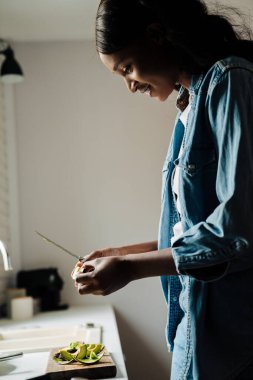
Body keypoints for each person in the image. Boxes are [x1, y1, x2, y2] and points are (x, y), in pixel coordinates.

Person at [72, 0, 253, 378]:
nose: (130, 85)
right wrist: (121, 253)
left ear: (156, 37)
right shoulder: (186, 112)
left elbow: (237, 229)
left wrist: (127, 268)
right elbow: (194, 233)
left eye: (127, 68)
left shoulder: (231, 79)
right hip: (194, 328)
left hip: (231, 342)